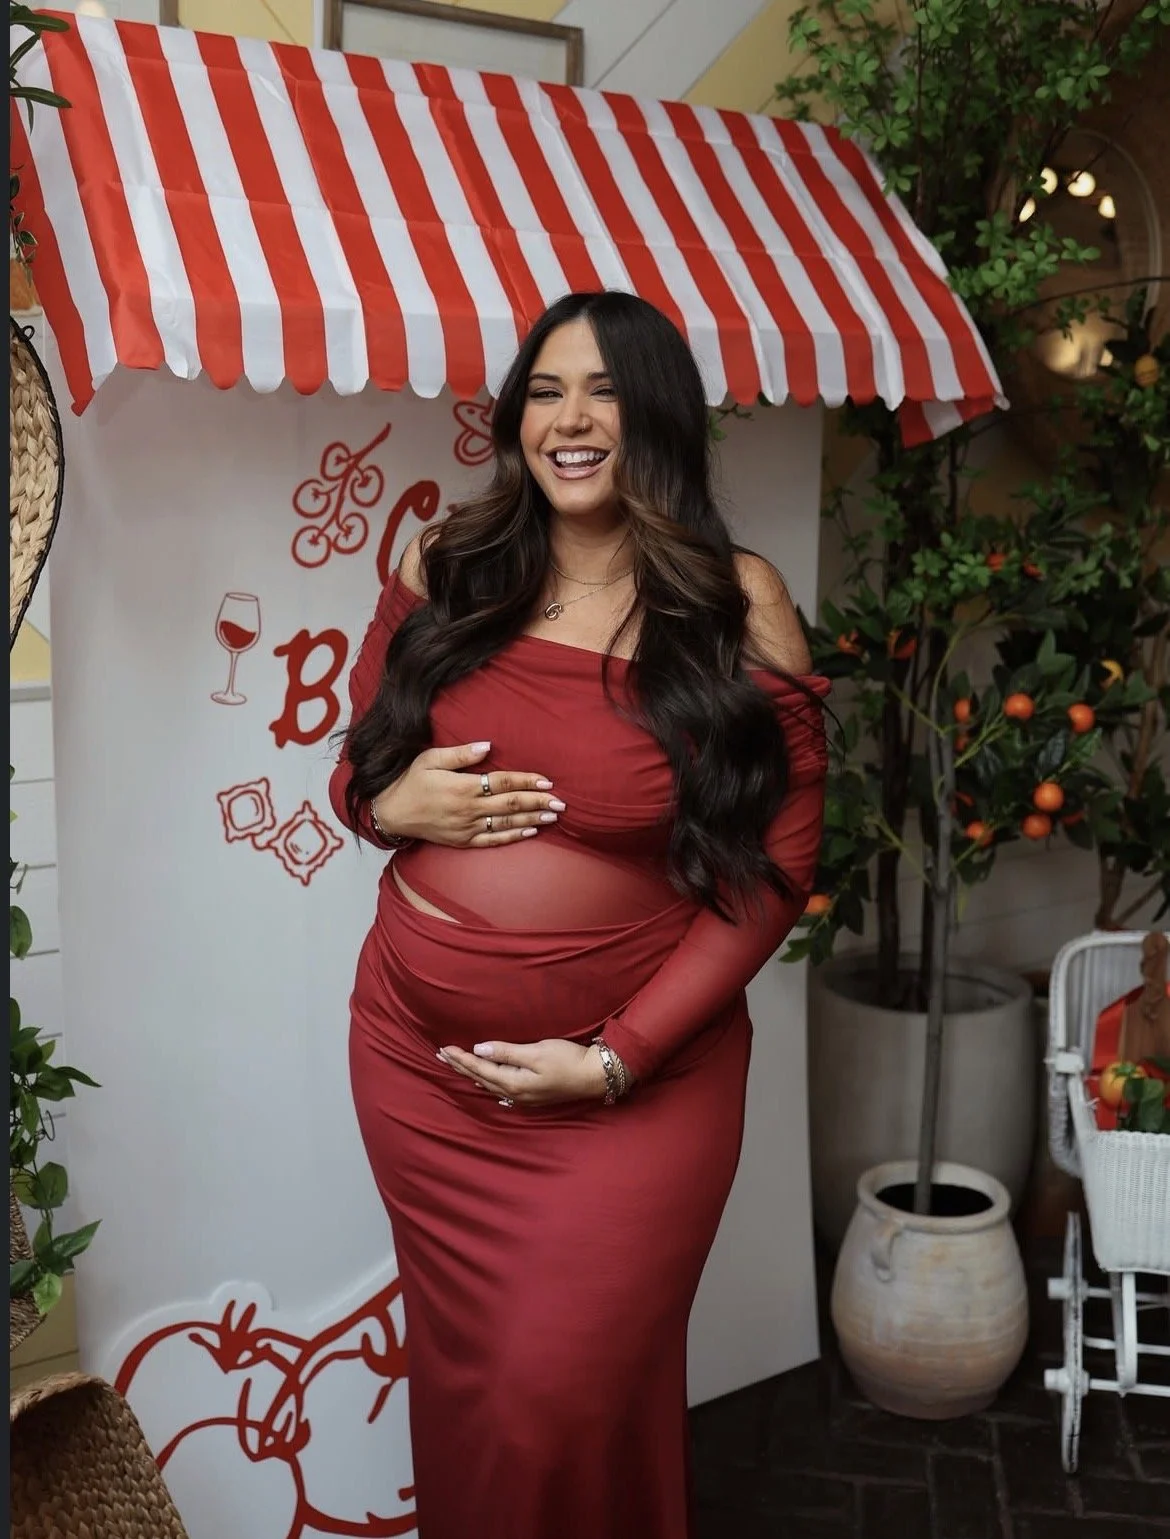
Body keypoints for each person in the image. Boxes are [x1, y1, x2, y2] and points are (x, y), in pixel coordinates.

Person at [329, 290, 828, 1539]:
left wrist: (615, 1062)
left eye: (601, 389)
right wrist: (397, 809)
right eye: (546, 390)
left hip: (634, 1091)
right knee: (478, 1396)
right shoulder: (448, 562)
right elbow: (358, 771)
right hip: (420, 1074)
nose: (569, 418)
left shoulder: (733, 601)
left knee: (562, 1396)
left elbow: (775, 873)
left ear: (654, 413)